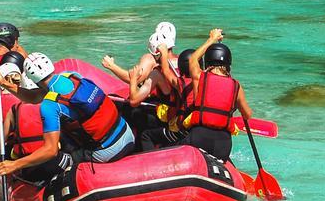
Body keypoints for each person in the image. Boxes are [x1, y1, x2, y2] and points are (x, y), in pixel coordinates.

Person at [0, 53, 135, 179]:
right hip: (128, 135)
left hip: (108, 151)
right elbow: (33, 97)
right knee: (64, 131)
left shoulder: (49, 105)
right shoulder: (71, 76)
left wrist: (15, 165)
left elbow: (50, 151)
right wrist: (4, 83)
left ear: (31, 78)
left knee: (46, 163)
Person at [0, 54, 73, 185]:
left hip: (28, 170)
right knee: (73, 153)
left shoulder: (14, 110)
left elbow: (0, 143)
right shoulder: (53, 105)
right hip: (52, 163)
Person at [180, 29, 254, 162]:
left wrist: (212, 39)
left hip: (199, 138)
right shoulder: (236, 86)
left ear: (207, 61)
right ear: (228, 64)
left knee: (174, 148)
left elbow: (193, 60)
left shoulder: (200, 77)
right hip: (223, 146)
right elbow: (247, 114)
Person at [102, 22, 178, 107]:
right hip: (177, 110)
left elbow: (133, 79)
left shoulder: (150, 60)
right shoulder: (181, 61)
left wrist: (111, 66)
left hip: (161, 113)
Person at [139, 47, 196, 151]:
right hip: (196, 130)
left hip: (181, 133)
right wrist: (212, 40)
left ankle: (153, 163)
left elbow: (165, 71)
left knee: (146, 136)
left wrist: (164, 53)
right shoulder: (206, 81)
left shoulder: (181, 84)